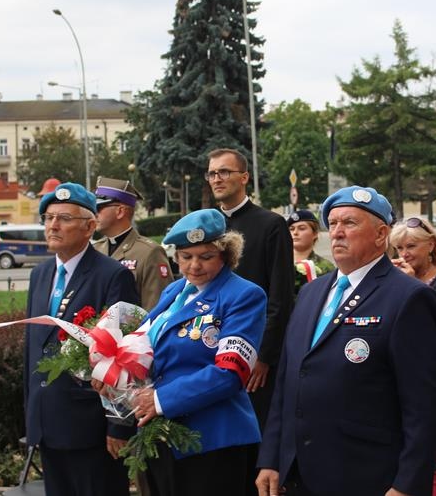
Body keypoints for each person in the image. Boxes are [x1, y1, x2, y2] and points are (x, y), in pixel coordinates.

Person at [256, 185, 436, 496]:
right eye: (333, 223)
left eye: (349, 223)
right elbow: (288, 383)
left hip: (365, 474)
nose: (337, 232)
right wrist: (271, 458)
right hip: (299, 473)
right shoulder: (310, 292)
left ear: (381, 234)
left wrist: (407, 484)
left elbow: (424, 405)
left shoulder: (408, 297)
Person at [132, 209, 267, 496]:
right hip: (163, 436)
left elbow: (231, 373)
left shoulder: (243, 295)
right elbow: (146, 342)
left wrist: (160, 400)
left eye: (206, 257)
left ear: (225, 256)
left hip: (212, 440)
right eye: (186, 256)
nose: (194, 266)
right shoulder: (175, 291)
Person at [24, 182, 140, 496]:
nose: (53, 226)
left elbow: (126, 355)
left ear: (89, 227)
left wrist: (119, 425)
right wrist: (32, 413)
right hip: (48, 422)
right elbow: (32, 348)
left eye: (64, 218)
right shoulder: (40, 274)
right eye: (48, 218)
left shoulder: (113, 275)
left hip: (91, 428)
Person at [207, 148, 294, 495]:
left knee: (255, 447)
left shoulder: (270, 225)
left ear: (244, 177)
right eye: (212, 173)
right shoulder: (207, 226)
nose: (217, 179)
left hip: (254, 358)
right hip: (212, 352)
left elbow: (280, 297)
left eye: (224, 172)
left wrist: (264, 356)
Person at [389, 216, 436, 496]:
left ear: (431, 245)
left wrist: (413, 288)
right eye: (399, 248)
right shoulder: (396, 281)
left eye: (411, 246)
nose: (405, 254)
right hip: (401, 384)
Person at [93, 176, 173, 310]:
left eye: (99, 208)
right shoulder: (95, 249)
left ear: (120, 211)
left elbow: (157, 308)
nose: (94, 213)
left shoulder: (149, 252)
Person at [287, 209, 335, 294]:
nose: (295, 232)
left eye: (302, 228)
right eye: (291, 229)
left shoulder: (326, 267)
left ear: (315, 233)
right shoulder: (278, 263)